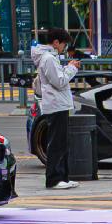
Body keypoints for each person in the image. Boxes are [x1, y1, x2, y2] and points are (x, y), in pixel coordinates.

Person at [32, 31, 78, 189]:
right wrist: (71, 68)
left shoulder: (50, 57)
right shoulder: (49, 58)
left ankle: (63, 177)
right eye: (64, 44)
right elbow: (59, 81)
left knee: (62, 143)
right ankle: (54, 179)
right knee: (57, 143)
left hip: (58, 104)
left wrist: (68, 68)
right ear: (56, 42)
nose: (64, 47)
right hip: (56, 104)